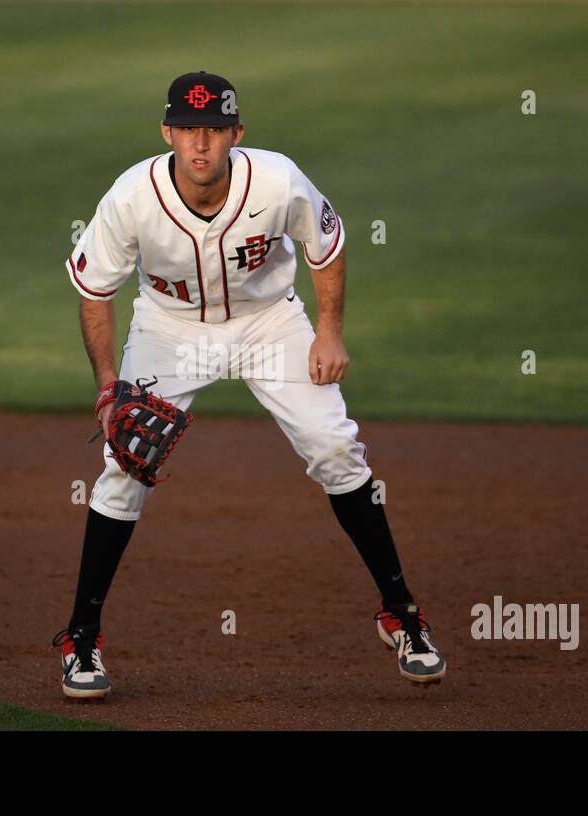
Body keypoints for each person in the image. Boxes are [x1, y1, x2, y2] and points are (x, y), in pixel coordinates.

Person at [51, 71, 445, 701]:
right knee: (123, 465)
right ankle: (81, 638)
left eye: (212, 131)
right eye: (187, 130)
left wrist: (330, 332)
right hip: (169, 329)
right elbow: (95, 291)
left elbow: (326, 244)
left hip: (270, 322)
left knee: (335, 447)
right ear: (167, 133)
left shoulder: (277, 179)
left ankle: (402, 615)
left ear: (237, 133)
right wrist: (107, 389)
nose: (199, 145)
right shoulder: (132, 196)